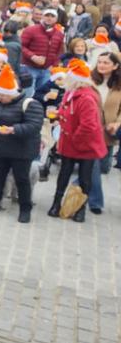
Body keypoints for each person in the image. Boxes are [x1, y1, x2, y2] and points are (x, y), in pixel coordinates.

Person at [0, 64, 43, 222]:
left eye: (3, 96)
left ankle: (25, 208)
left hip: (22, 149)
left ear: (12, 93)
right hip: (1, 147)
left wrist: (13, 129)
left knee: (22, 178)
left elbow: (34, 126)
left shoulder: (30, 104)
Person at [50, 58, 106, 222]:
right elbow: (65, 110)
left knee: (85, 178)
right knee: (63, 175)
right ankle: (56, 204)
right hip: (70, 142)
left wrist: (75, 138)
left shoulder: (86, 97)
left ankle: (80, 209)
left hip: (85, 144)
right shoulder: (71, 92)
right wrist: (58, 115)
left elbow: (88, 125)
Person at [88, 52, 121, 215]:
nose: (102, 65)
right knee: (92, 165)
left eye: (106, 63)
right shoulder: (90, 81)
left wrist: (118, 123)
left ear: (115, 66)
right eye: (100, 62)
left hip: (109, 131)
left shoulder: (119, 85)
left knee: (101, 167)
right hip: (91, 129)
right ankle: (95, 202)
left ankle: (77, 184)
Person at [20, 9, 65, 98]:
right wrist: (32, 56)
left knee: (42, 96)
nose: (49, 18)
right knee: (27, 95)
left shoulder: (59, 34)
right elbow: (21, 46)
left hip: (46, 70)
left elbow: (59, 52)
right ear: (43, 17)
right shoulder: (31, 30)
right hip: (29, 68)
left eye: (52, 16)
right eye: (47, 15)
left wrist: (54, 65)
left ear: (56, 19)